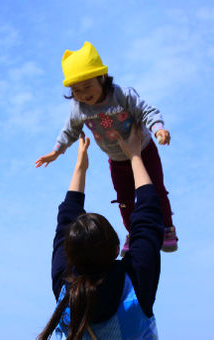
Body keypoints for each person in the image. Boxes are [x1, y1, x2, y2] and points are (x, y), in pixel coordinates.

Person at [35, 41, 177, 255]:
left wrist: (158, 129)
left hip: (143, 149)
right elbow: (70, 130)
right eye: (76, 90)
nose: (83, 94)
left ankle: (167, 228)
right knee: (124, 198)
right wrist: (57, 151)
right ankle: (133, 232)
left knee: (155, 189)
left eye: (87, 86)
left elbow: (145, 110)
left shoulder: (121, 95)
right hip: (117, 159)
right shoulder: (79, 108)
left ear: (102, 77)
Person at [37, 125, 163, 340]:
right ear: (116, 249)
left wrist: (80, 168)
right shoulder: (135, 283)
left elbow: (148, 216)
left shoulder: (65, 290)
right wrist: (134, 155)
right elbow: (148, 219)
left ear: (70, 256)